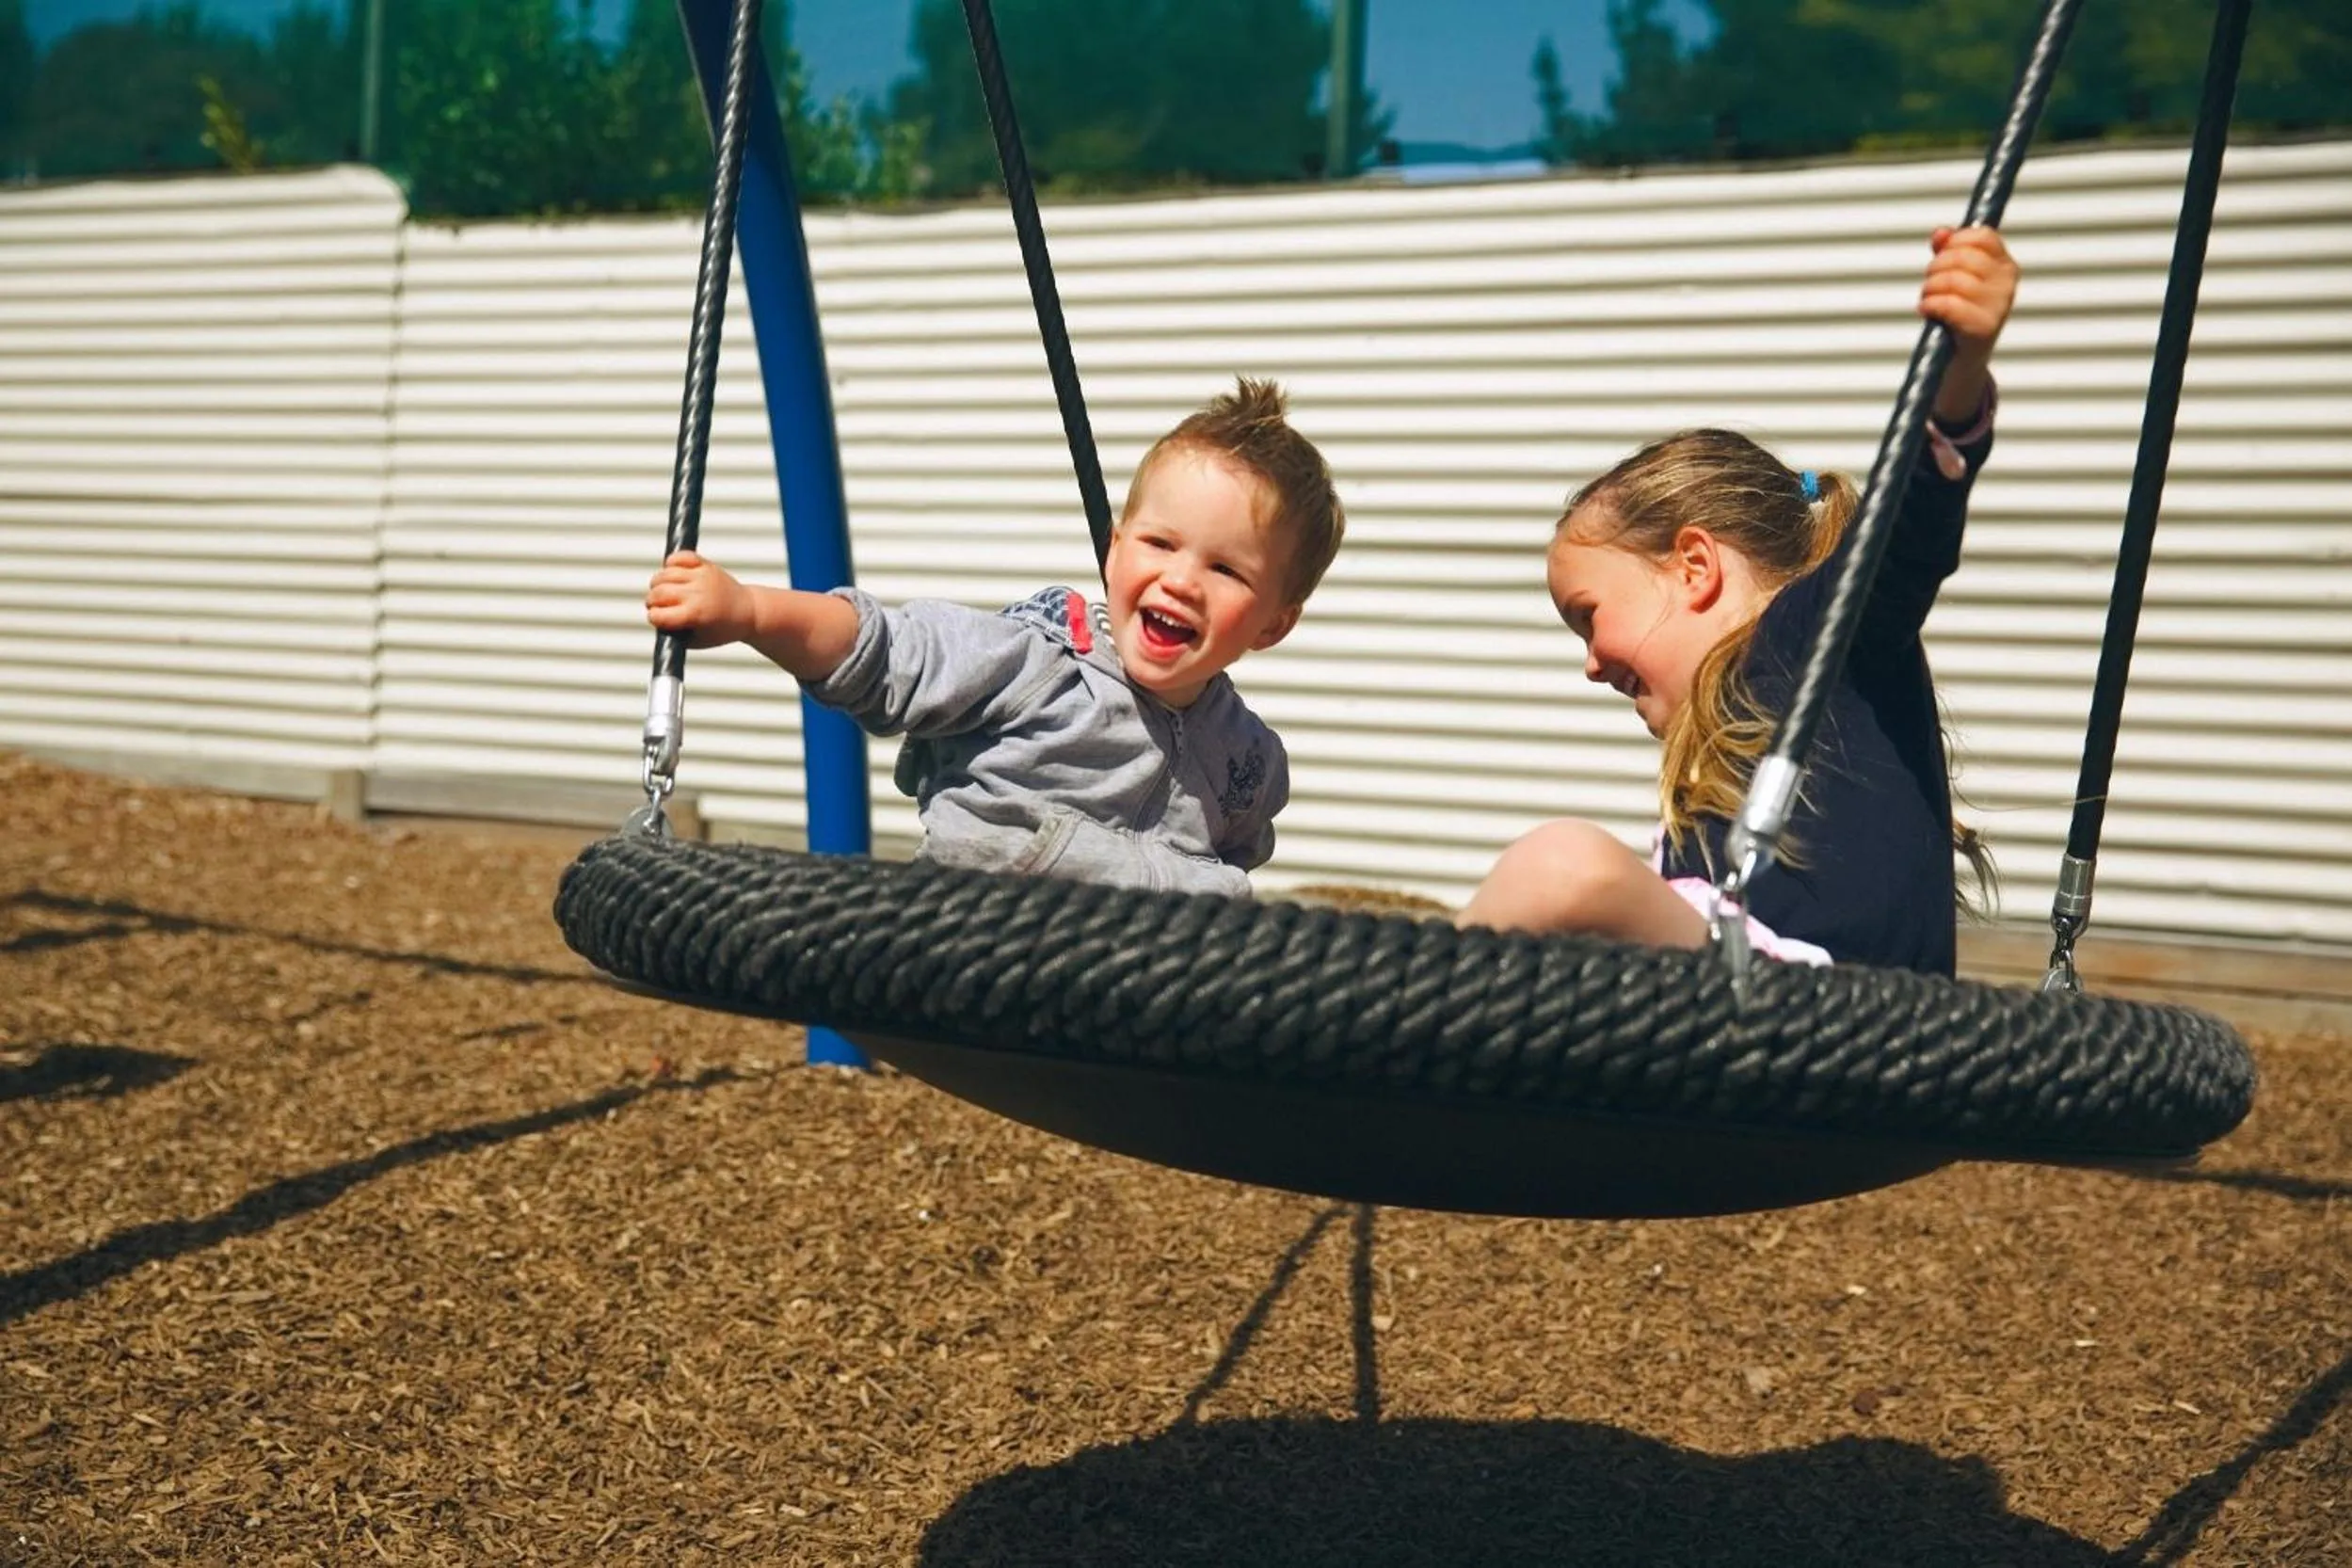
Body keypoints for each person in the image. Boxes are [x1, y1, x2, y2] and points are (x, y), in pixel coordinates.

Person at [1455, 225, 2017, 975]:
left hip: (1832, 1017)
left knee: (1564, 867)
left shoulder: (1805, 641)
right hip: (1763, 1017)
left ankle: (1386, 1028)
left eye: (1587, 618)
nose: (1590, 665)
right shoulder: (1724, 746)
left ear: (1693, 566)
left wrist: (1953, 390)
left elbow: (1901, 538)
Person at [644, 376, 1342, 898]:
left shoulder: (1249, 759)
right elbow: (890, 651)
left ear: (1273, 623)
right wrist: (750, 611)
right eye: (1160, 544)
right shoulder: (1039, 661)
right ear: (1115, 551)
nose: (1181, 581)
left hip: (1133, 986)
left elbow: (1235, 860)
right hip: (981, 931)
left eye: (1224, 569)